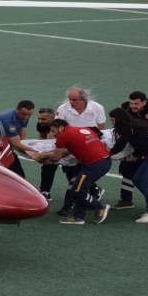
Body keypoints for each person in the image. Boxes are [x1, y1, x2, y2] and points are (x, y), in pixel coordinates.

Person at [27, 119, 111, 225]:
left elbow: (56, 158)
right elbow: (71, 150)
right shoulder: (82, 129)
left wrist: (42, 157)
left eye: (53, 131)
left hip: (94, 165)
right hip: (102, 161)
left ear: (61, 128)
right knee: (80, 189)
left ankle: (100, 207)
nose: (53, 134)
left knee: (77, 190)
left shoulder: (64, 136)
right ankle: (78, 217)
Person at [108, 108, 148, 223]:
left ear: (119, 119)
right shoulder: (137, 124)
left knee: (146, 185)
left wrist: (104, 154)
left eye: (113, 120)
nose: (112, 123)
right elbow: (142, 142)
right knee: (137, 180)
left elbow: (119, 147)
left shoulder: (126, 129)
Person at [54, 86, 107, 214]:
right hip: (70, 146)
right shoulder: (63, 108)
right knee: (70, 173)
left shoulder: (97, 108)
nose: (71, 102)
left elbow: (102, 130)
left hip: (87, 147)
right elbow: (56, 128)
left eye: (74, 100)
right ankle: (94, 190)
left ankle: (68, 206)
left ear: (83, 99)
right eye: (70, 99)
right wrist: (56, 145)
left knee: (75, 177)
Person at [0, 100, 35, 178]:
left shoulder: (24, 117)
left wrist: (32, 151)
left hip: (5, 146)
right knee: (16, 176)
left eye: (29, 115)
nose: (26, 117)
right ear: (17, 109)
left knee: (20, 175)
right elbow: (16, 145)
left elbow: (23, 139)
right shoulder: (7, 120)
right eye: (24, 114)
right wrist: (37, 153)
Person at [36, 107, 57, 200]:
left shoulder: (57, 125)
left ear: (53, 118)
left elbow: (53, 142)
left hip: (69, 146)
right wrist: (42, 153)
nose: (40, 121)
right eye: (39, 118)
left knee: (72, 170)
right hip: (57, 145)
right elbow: (42, 137)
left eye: (43, 119)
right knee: (48, 164)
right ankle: (45, 192)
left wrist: (45, 156)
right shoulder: (41, 124)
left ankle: (93, 189)